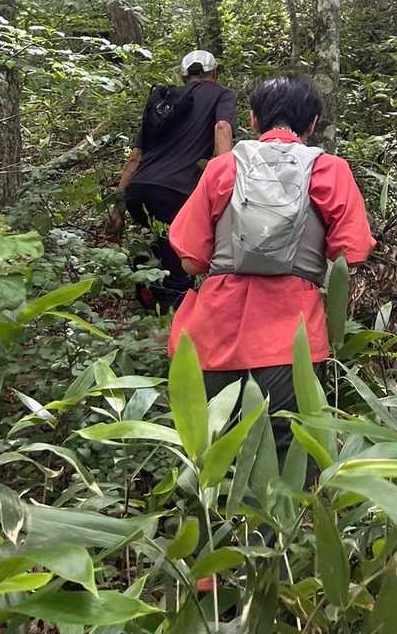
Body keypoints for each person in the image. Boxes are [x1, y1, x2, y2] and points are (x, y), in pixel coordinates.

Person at [167, 74, 375, 459]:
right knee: (286, 458)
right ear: (313, 122)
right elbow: (350, 255)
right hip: (292, 340)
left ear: (252, 119)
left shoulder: (222, 169)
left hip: (214, 336)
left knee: (216, 457)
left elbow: (191, 261)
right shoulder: (330, 170)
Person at [109, 49, 236, 312]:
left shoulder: (162, 102)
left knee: (166, 240)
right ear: (215, 72)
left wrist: (118, 206)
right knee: (181, 258)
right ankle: (172, 316)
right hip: (175, 191)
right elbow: (222, 127)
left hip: (138, 191)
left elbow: (135, 156)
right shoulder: (221, 94)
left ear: (183, 76)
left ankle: (147, 272)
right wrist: (226, 182)